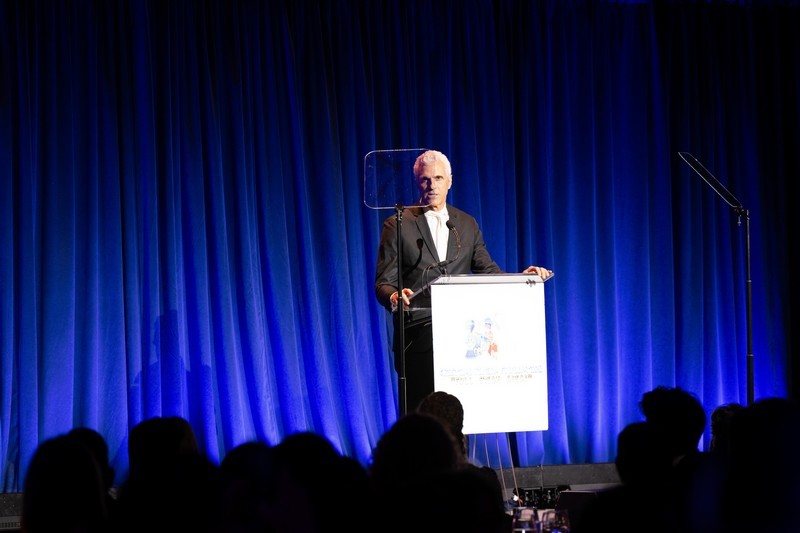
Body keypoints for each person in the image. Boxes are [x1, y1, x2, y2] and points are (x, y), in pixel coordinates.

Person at [374, 149, 553, 413]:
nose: (432, 185)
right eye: (425, 179)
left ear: (450, 181)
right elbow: (383, 282)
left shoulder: (466, 224)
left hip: (460, 338)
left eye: (438, 178)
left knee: (455, 418)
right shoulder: (398, 224)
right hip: (418, 337)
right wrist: (394, 296)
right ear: (417, 182)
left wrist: (522, 279)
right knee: (420, 417)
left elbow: (488, 271)